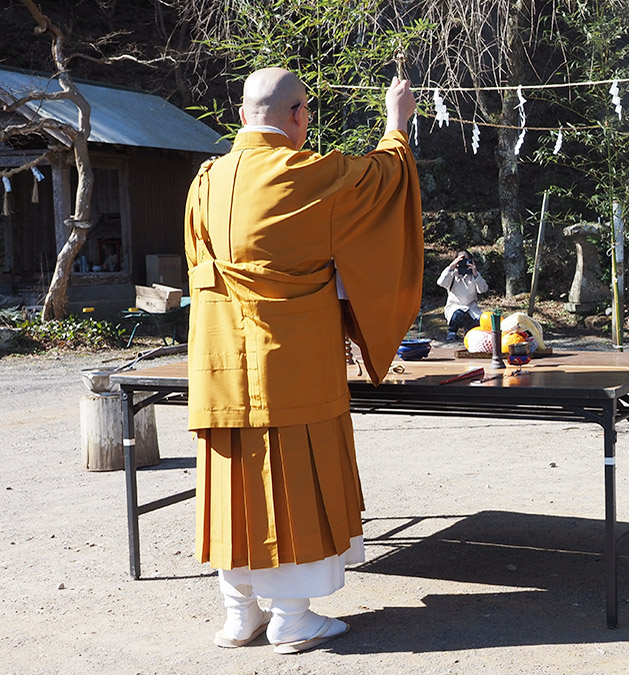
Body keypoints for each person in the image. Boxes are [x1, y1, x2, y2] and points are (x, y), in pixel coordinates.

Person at [183, 67, 423, 654]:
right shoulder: (307, 172)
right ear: (298, 116)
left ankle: (239, 615)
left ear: (241, 117)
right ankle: (292, 618)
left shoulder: (204, 181)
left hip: (219, 367)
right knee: (292, 479)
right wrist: (397, 122)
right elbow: (385, 179)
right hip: (290, 362)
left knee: (232, 483)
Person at [436, 249, 488, 341]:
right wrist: (451, 267)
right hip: (455, 307)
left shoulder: (474, 275)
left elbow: (483, 289)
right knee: (458, 315)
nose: (464, 262)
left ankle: (469, 332)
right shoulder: (452, 275)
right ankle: (452, 331)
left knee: (479, 320)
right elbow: (441, 282)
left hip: (471, 307)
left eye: (466, 260)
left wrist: (475, 274)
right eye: (461, 260)